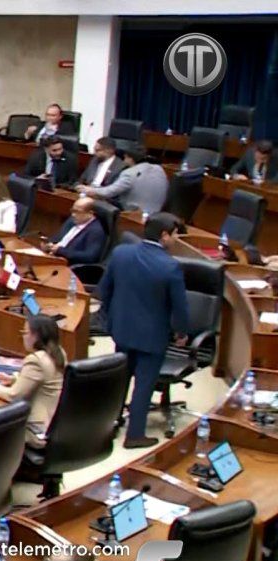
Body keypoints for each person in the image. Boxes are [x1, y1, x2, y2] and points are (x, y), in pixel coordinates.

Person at [99, 215, 190, 448]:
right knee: (143, 385)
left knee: (121, 380)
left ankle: (108, 425)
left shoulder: (121, 253)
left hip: (122, 330)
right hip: (151, 337)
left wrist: (109, 320)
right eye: (175, 234)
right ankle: (135, 435)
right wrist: (181, 333)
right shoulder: (170, 266)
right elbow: (179, 307)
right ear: (164, 235)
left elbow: (104, 290)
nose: (177, 239)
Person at [0, 315, 65, 448]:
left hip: (35, 431)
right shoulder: (58, 353)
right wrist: (14, 379)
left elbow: (13, 396)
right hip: (56, 426)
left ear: (35, 336)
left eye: (25, 332)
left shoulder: (35, 359)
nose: (23, 336)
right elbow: (44, 379)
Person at [79, 145, 167, 214]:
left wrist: (89, 189)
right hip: (156, 213)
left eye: (125, 158)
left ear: (130, 159)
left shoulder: (129, 173)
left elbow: (109, 192)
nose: (123, 161)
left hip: (132, 213)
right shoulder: (159, 169)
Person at [43, 196, 106, 265]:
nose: (73, 214)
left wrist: (60, 250)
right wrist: (49, 244)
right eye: (72, 210)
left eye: (77, 212)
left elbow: (89, 256)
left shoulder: (96, 231)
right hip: (52, 257)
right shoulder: (73, 220)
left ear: (90, 213)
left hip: (67, 265)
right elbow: (59, 238)